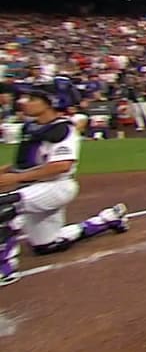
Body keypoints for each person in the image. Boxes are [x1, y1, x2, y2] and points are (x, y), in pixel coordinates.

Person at [0, 89, 129, 287]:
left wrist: (16, 178)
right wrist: (6, 171)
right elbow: (24, 162)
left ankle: (4, 269)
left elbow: (62, 166)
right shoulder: (31, 127)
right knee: (46, 245)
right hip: (34, 188)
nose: (25, 102)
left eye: (32, 99)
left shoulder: (63, 129)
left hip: (56, 186)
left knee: (6, 205)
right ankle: (108, 219)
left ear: (49, 103)